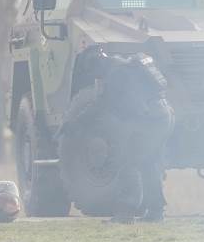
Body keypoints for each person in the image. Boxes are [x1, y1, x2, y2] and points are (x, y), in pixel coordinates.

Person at [58, 51, 174, 223]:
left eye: (94, 72)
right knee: (149, 163)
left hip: (150, 119)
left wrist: (75, 123)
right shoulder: (126, 66)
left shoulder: (116, 75)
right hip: (163, 115)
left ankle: (125, 213)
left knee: (129, 162)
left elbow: (101, 105)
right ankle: (156, 211)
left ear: (98, 65)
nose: (95, 76)